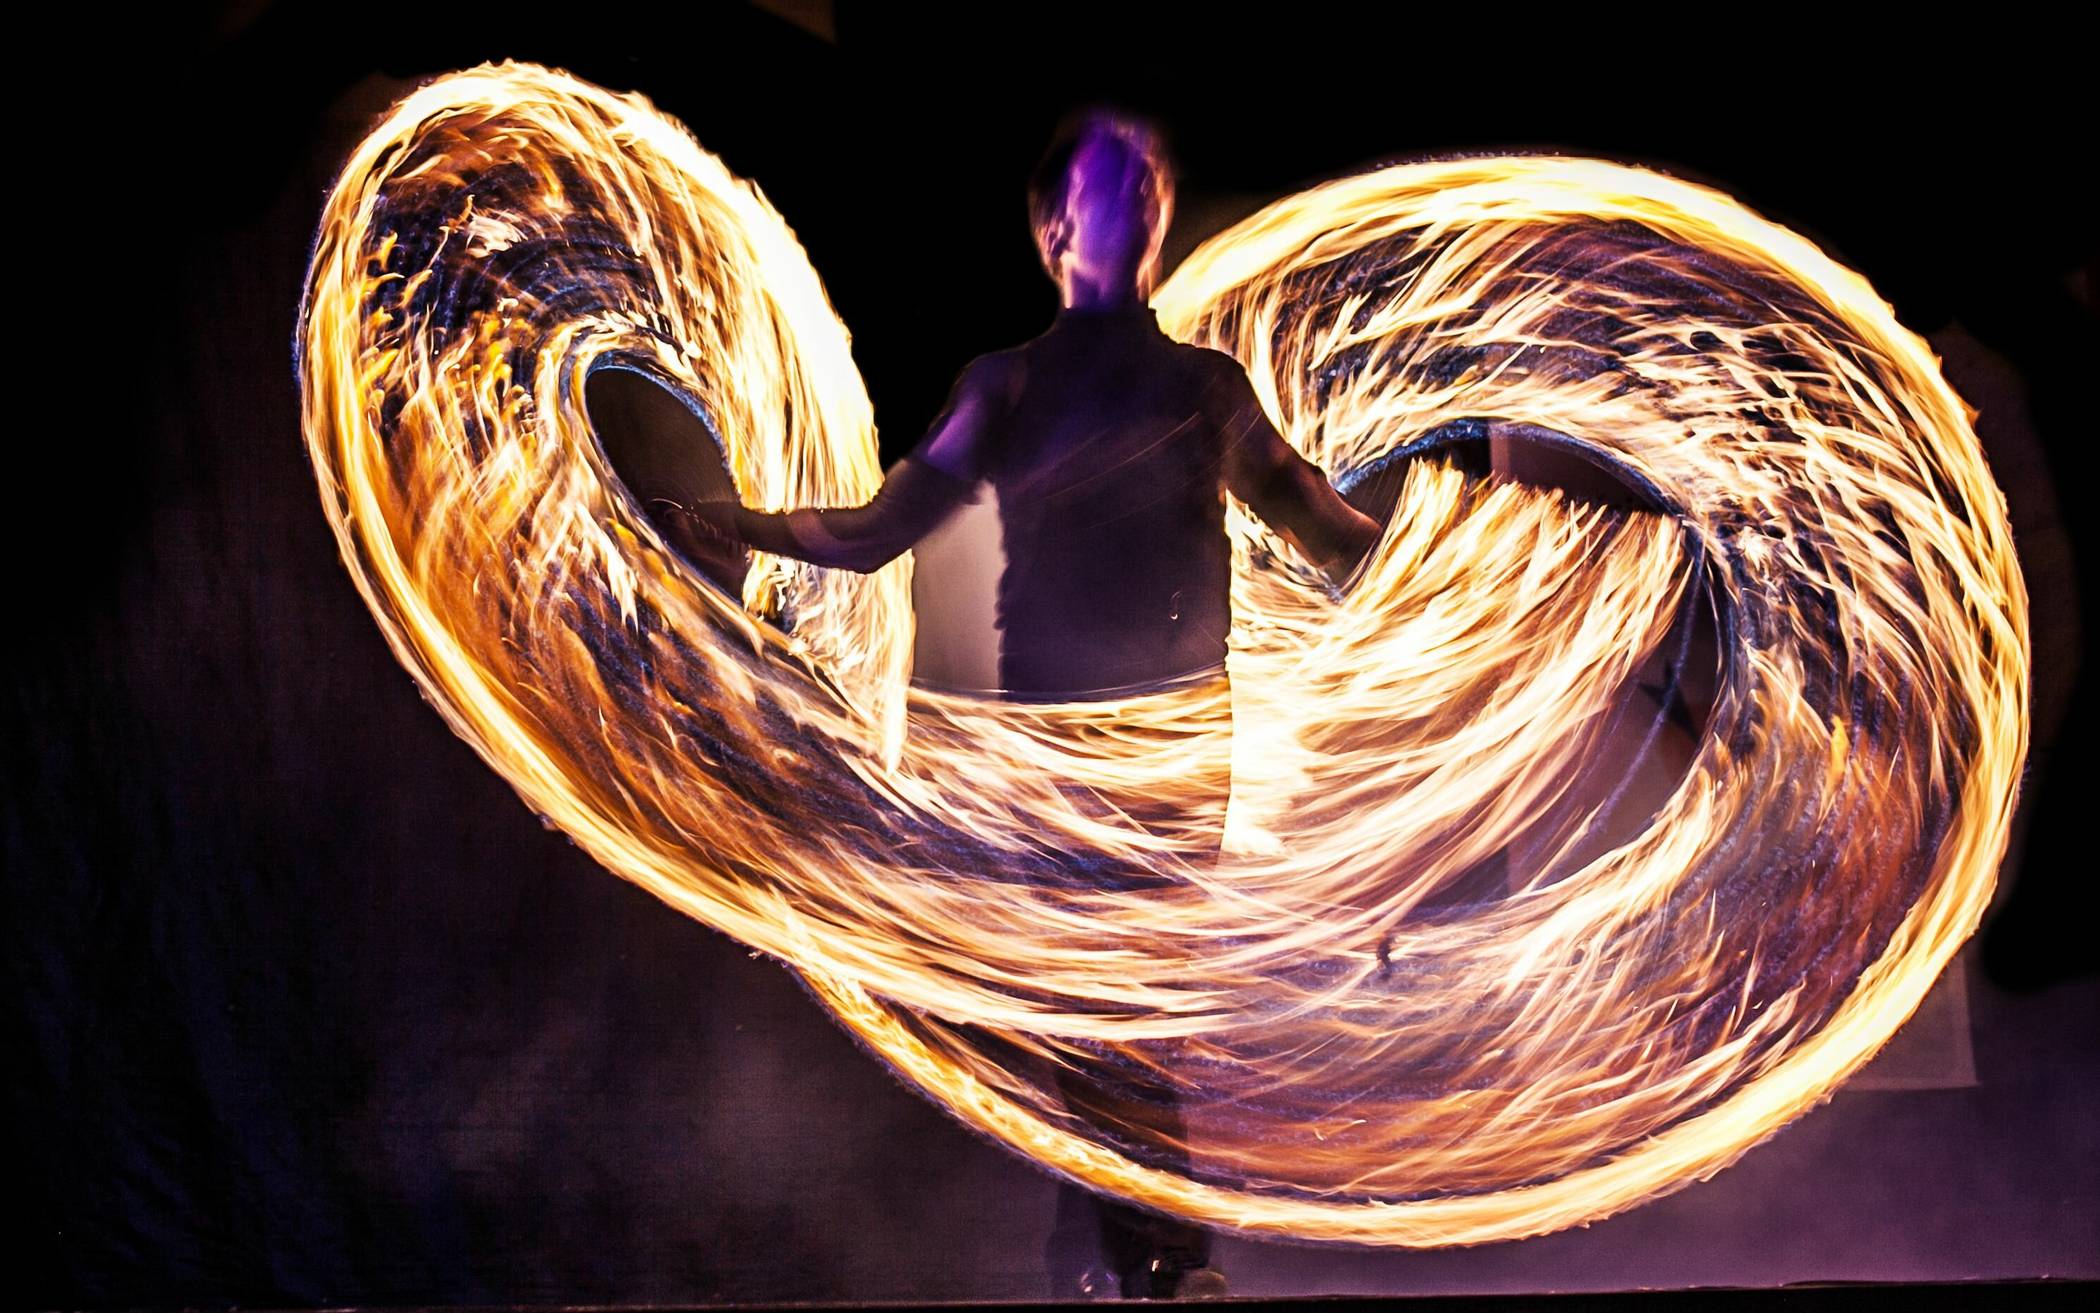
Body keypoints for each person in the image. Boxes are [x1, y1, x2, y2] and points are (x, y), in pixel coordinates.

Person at [661, 108, 1381, 1300]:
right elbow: (873, 531)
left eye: (1153, 181)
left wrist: (1488, 536)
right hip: (1053, 752)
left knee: (1128, 1007)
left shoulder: (1209, 391)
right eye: (1117, 183)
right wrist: (730, 522)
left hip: (1179, 746)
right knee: (1096, 1018)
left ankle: (1148, 1257)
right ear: (1056, 227)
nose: (1147, 197)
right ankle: (1125, 1255)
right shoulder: (1006, 388)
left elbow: (1323, 529)